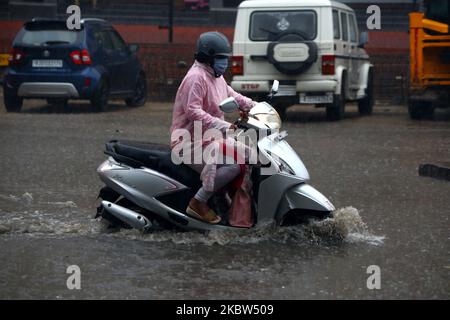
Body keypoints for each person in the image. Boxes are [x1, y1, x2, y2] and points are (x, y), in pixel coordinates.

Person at [170, 31, 256, 224]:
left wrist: (257, 107)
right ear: (207, 57)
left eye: (225, 58)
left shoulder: (216, 76)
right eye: (220, 58)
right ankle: (198, 202)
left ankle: (226, 201)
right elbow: (193, 111)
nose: (224, 63)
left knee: (250, 154)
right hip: (189, 142)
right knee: (234, 165)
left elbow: (233, 96)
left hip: (211, 138)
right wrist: (225, 126)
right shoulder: (196, 78)